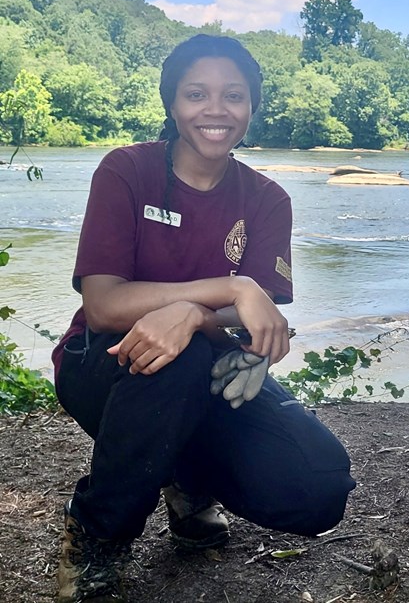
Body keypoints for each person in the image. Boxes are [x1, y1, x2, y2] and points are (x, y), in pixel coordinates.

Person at [51, 34, 356, 603]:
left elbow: (255, 328)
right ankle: (97, 535)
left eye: (233, 96)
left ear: (251, 107)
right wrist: (226, 290)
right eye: (197, 94)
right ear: (172, 103)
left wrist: (193, 314)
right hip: (104, 366)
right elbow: (104, 304)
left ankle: (187, 481)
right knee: (178, 355)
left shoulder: (267, 200)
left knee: (318, 483)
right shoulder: (127, 171)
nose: (215, 110)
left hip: (214, 374)